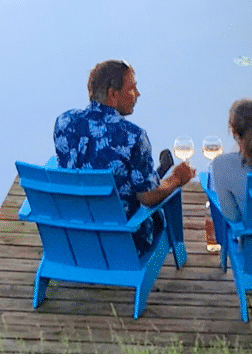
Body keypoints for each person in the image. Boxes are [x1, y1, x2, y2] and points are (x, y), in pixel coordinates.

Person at [53, 60, 194, 253]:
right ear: (113, 94)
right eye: (132, 88)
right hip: (122, 244)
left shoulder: (64, 122)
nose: (138, 94)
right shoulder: (133, 136)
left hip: (74, 238)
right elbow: (148, 198)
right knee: (157, 202)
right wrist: (177, 178)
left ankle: (153, 173)